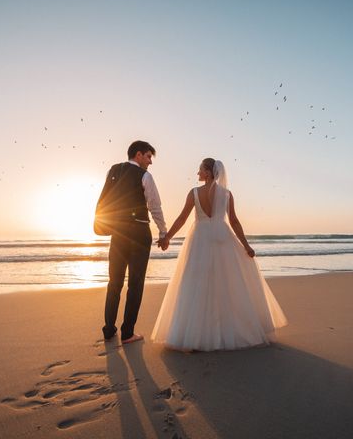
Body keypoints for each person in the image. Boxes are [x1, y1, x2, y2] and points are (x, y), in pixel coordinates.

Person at [152, 158, 288, 351]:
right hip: (223, 238)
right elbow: (234, 222)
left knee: (196, 283)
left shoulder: (194, 193)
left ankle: (195, 335)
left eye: (200, 169)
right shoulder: (226, 194)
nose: (197, 173)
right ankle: (225, 330)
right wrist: (246, 246)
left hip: (199, 239)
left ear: (208, 172)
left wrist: (167, 238)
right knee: (226, 284)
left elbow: (182, 218)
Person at [96, 140, 167, 344]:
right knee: (135, 284)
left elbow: (105, 198)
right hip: (139, 234)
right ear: (138, 155)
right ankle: (128, 333)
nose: (150, 161)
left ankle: (109, 329)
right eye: (148, 156)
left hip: (118, 233)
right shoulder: (145, 176)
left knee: (114, 282)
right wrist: (163, 233)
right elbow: (155, 206)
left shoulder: (113, 170)